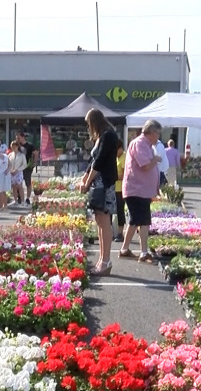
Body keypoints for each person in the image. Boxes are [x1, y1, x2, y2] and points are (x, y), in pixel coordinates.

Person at [118, 119, 163, 263]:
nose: (158, 137)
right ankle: (143, 253)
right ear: (152, 132)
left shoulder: (146, 144)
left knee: (134, 221)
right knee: (143, 221)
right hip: (137, 189)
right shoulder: (140, 143)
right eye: (157, 134)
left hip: (140, 189)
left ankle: (125, 249)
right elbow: (144, 166)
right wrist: (155, 160)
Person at [80, 108, 118, 276]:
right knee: (100, 222)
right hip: (99, 184)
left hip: (104, 184)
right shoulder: (103, 136)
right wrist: (85, 177)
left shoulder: (108, 135)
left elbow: (99, 161)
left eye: (89, 124)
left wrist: (87, 182)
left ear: (94, 122)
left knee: (104, 221)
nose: (89, 127)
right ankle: (102, 260)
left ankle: (105, 261)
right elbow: (92, 161)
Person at [17, 131, 36, 204]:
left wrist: (34, 162)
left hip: (27, 166)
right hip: (19, 166)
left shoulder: (30, 145)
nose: (17, 139)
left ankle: (28, 198)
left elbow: (35, 153)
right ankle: (20, 197)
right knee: (18, 182)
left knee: (28, 182)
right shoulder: (17, 145)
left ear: (22, 137)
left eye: (18, 137)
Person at [114, 139, 127, 242]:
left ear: (120, 148)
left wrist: (112, 176)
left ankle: (120, 233)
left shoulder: (124, 157)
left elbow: (124, 175)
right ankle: (112, 231)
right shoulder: (116, 158)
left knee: (120, 211)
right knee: (110, 211)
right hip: (113, 188)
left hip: (121, 189)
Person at [8, 140, 27, 206]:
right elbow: (8, 164)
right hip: (11, 172)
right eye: (12, 146)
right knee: (14, 186)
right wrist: (10, 170)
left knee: (19, 186)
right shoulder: (10, 155)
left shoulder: (22, 155)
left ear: (17, 146)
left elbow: (25, 164)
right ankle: (15, 200)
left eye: (14, 146)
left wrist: (17, 170)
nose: (13, 148)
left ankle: (23, 201)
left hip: (18, 172)